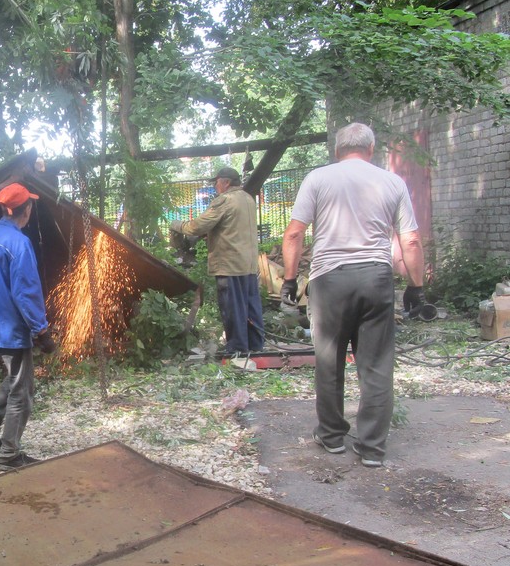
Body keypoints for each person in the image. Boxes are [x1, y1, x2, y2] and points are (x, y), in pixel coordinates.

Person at [280, 122, 425, 468]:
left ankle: (331, 437)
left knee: (329, 361)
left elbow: (294, 234)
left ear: (337, 150)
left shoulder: (318, 179)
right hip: (376, 279)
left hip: (330, 281)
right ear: (370, 149)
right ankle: (372, 447)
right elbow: (412, 241)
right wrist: (417, 288)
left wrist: (288, 280)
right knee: (376, 365)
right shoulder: (393, 182)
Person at [0, 182, 57, 471]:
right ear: (26, 209)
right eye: (30, 204)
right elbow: (25, 292)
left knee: (15, 377)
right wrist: (41, 330)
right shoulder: (19, 243)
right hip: (11, 328)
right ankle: (9, 455)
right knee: (23, 389)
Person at [170, 166, 265, 356]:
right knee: (250, 305)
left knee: (232, 307)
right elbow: (231, 227)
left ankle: (237, 348)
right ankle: (255, 344)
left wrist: (177, 225)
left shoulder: (225, 200)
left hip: (229, 264)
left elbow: (197, 226)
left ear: (226, 182)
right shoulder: (247, 198)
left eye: (217, 182)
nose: (215, 186)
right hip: (248, 263)